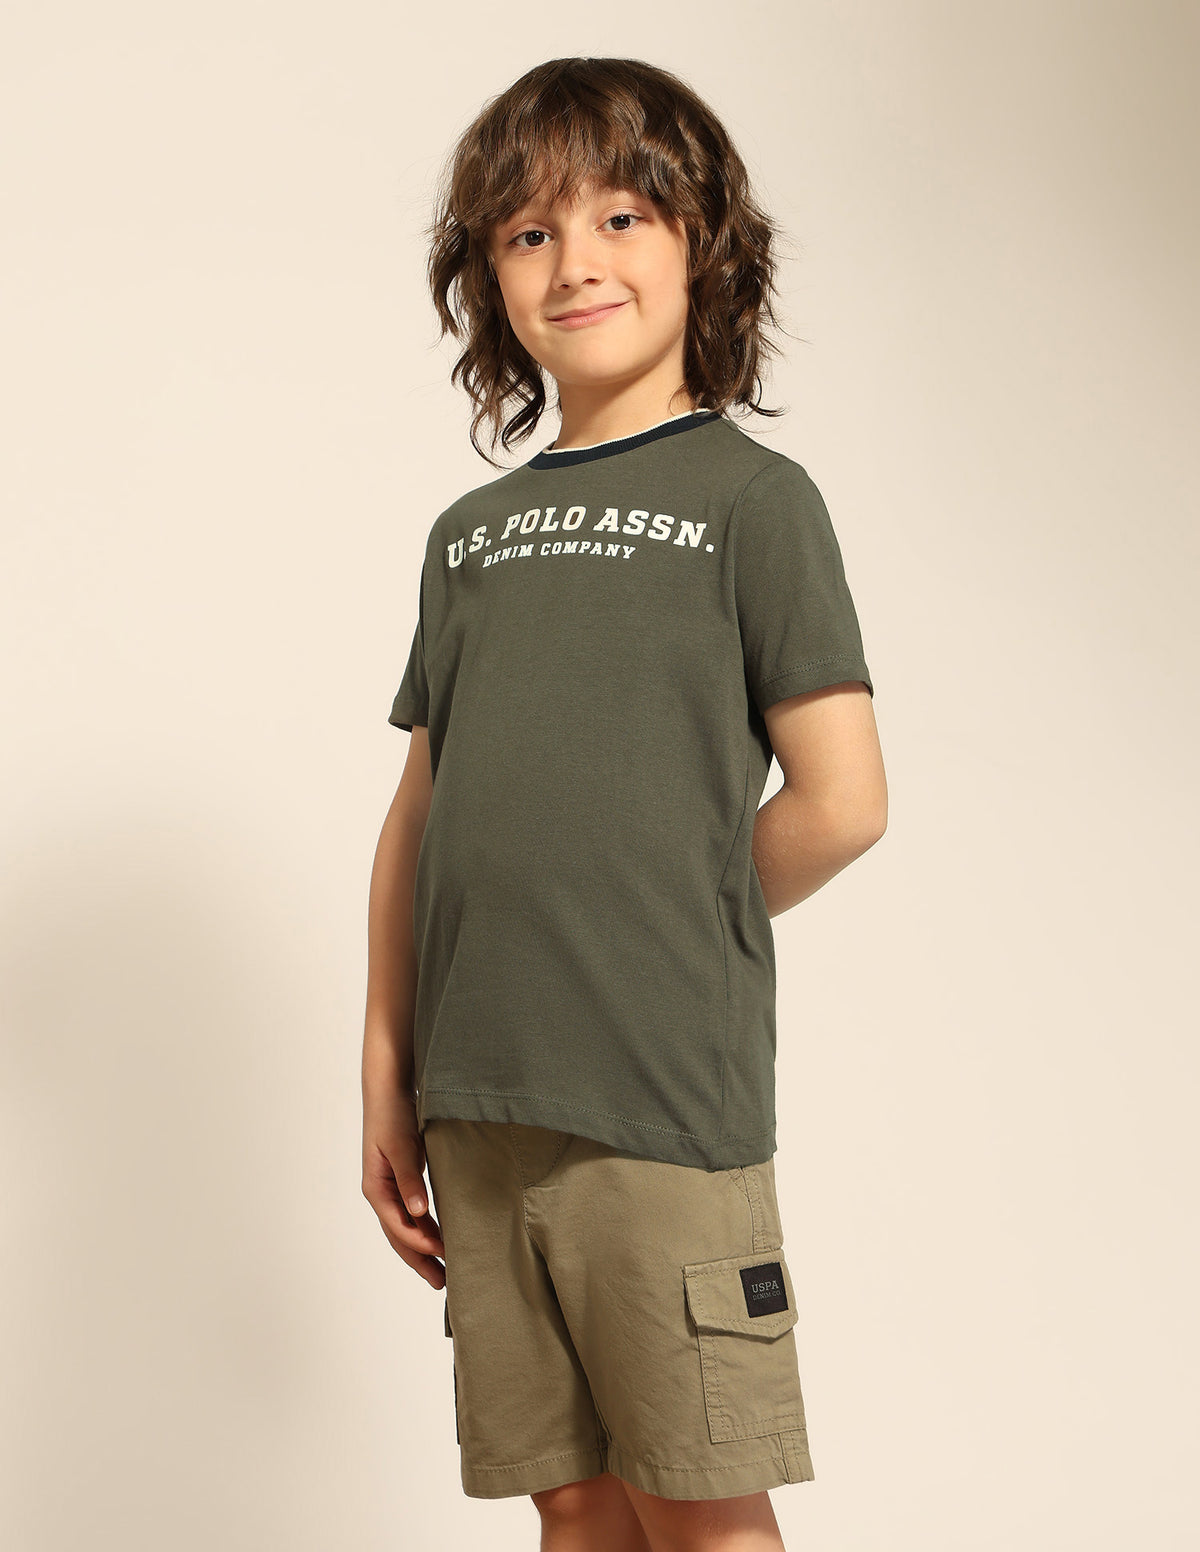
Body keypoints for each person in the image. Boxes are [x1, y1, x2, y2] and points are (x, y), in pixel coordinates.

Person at [362, 56, 888, 1552]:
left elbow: (844, 799)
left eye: (619, 218)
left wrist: (672, 918)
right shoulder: (469, 537)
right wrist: (387, 1066)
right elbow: (420, 819)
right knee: (575, 1501)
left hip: (654, 1103)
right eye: (529, 233)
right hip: (478, 1104)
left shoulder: (754, 503)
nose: (574, 263)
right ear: (489, 277)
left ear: (700, 242)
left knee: (700, 1499)